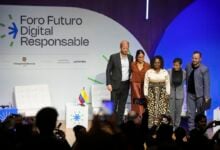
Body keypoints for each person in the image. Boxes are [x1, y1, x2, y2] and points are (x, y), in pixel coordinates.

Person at [106, 40, 133, 124]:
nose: (125, 50)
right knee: (113, 106)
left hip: (125, 85)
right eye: (124, 48)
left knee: (122, 105)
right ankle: (112, 123)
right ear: (120, 47)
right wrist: (108, 83)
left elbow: (131, 70)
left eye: (127, 48)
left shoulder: (130, 57)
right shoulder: (113, 57)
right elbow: (108, 71)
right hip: (115, 85)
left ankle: (119, 123)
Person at [185, 51, 210, 131]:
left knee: (200, 115)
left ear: (200, 59)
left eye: (196, 58)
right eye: (193, 58)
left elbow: (207, 84)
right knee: (190, 114)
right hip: (190, 95)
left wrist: (206, 96)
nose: (194, 60)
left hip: (200, 95)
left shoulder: (204, 69)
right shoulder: (188, 66)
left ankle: (201, 131)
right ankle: (192, 131)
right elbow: (186, 77)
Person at [144, 55, 170, 128]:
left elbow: (167, 84)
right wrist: (146, 94)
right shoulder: (149, 72)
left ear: (161, 63)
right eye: (155, 62)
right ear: (153, 63)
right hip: (151, 93)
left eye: (158, 62)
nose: (157, 64)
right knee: (151, 110)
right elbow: (146, 83)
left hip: (162, 93)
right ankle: (151, 127)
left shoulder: (165, 72)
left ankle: (162, 127)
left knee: (162, 110)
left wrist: (168, 94)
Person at [130, 49, 150, 116]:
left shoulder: (148, 65)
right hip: (135, 85)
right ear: (136, 57)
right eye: (139, 57)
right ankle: (137, 116)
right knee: (137, 101)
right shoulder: (132, 64)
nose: (141, 58)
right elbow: (128, 74)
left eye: (142, 57)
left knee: (143, 101)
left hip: (144, 85)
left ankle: (143, 116)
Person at [168, 58, 186, 129]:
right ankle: (171, 126)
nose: (175, 67)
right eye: (174, 65)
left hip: (180, 95)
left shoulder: (184, 72)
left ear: (180, 65)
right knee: (171, 112)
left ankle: (177, 126)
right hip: (171, 94)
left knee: (178, 112)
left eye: (177, 65)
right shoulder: (169, 71)